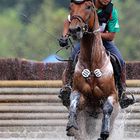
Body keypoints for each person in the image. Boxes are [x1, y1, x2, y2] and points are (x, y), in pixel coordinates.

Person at [59, 0, 135, 108]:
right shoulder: (85, 5)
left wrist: (96, 33)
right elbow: (68, 21)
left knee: (120, 60)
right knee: (72, 57)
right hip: (85, 42)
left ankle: (122, 93)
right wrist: (64, 36)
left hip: (105, 43)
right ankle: (66, 87)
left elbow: (111, 36)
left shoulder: (111, 11)